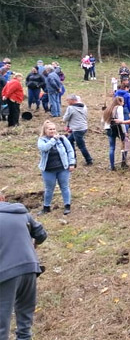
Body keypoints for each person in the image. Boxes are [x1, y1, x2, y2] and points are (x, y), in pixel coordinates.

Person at [0, 192, 47, 340]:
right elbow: (41, 235)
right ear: (3, 198)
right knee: (24, 326)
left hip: (5, 274)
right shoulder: (21, 213)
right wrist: (33, 246)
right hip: (30, 269)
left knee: (2, 328)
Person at [37, 120, 76, 215]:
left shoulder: (62, 138)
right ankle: (46, 207)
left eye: (54, 129)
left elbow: (70, 150)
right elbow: (44, 148)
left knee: (64, 186)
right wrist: (53, 140)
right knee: (49, 188)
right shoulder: (41, 140)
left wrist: (72, 163)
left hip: (63, 168)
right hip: (48, 170)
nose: (53, 131)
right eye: (50, 129)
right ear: (45, 130)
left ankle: (67, 206)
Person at [63, 95, 93, 166]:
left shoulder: (70, 108)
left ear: (73, 100)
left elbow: (65, 118)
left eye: (68, 100)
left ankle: (89, 160)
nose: (67, 102)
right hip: (83, 127)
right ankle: (73, 158)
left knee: (81, 146)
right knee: (69, 141)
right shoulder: (84, 106)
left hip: (77, 129)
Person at [102, 96, 128, 170]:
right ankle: (123, 162)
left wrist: (105, 127)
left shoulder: (108, 109)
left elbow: (102, 121)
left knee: (111, 147)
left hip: (109, 128)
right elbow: (121, 120)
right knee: (124, 144)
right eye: (122, 102)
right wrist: (125, 132)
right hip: (118, 128)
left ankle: (112, 165)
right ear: (119, 102)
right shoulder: (119, 108)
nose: (123, 104)